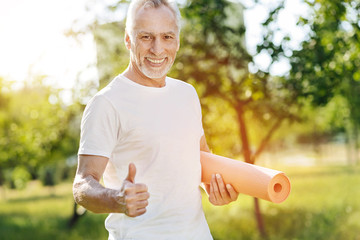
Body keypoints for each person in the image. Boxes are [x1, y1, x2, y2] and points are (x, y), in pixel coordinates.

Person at [72, 0, 239, 239]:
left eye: (167, 37)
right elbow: (82, 185)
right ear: (128, 40)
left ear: (178, 41)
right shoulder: (107, 103)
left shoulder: (187, 93)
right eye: (146, 37)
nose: (158, 49)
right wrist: (117, 199)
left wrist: (215, 187)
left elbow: (200, 158)